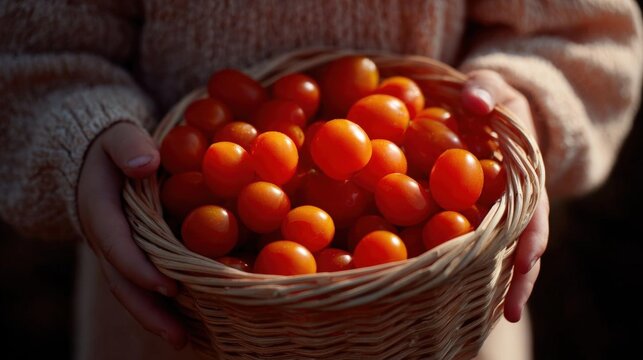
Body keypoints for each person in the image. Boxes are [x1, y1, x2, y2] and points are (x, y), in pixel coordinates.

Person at [0, 1, 641, 359]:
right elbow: (37, 45)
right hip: (186, 305)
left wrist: (526, 96)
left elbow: (583, 32)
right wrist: (76, 133)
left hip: (441, 308)